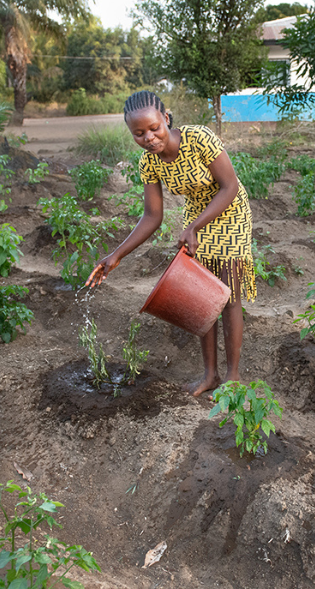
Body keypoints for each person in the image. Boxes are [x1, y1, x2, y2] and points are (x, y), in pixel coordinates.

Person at [86, 91, 256, 397]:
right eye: (139, 134)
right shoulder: (149, 163)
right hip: (197, 217)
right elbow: (152, 216)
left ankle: (233, 376)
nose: (149, 138)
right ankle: (210, 375)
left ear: (166, 118)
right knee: (201, 295)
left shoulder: (200, 139)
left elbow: (229, 186)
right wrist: (116, 255)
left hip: (229, 210)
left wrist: (193, 226)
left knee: (228, 294)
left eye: (154, 128)